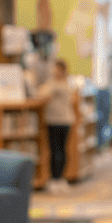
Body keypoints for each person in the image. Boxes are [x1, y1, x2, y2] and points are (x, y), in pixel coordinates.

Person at [40, 58, 74, 189]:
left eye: (56, 68)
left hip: (57, 121)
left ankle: (56, 179)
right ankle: (59, 179)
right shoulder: (68, 83)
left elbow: (42, 94)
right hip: (64, 120)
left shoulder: (56, 84)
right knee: (60, 150)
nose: (54, 71)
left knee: (57, 151)